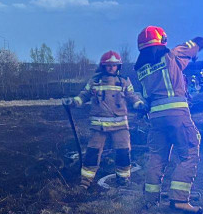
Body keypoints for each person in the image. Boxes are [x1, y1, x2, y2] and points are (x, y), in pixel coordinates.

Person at [134, 26, 203, 214]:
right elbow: (199, 41)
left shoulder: (141, 70)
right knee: (190, 151)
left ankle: (150, 200)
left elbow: (145, 98)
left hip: (156, 118)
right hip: (177, 114)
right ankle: (180, 199)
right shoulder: (172, 55)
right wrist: (197, 47)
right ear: (162, 40)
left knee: (157, 157)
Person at [62, 51, 145, 189]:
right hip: (98, 128)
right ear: (103, 66)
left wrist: (139, 105)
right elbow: (83, 96)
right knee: (92, 154)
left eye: (114, 65)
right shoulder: (94, 82)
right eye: (108, 65)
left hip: (120, 127)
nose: (111, 68)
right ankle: (85, 183)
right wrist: (72, 102)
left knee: (123, 153)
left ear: (119, 67)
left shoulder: (124, 81)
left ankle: (123, 180)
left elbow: (132, 97)